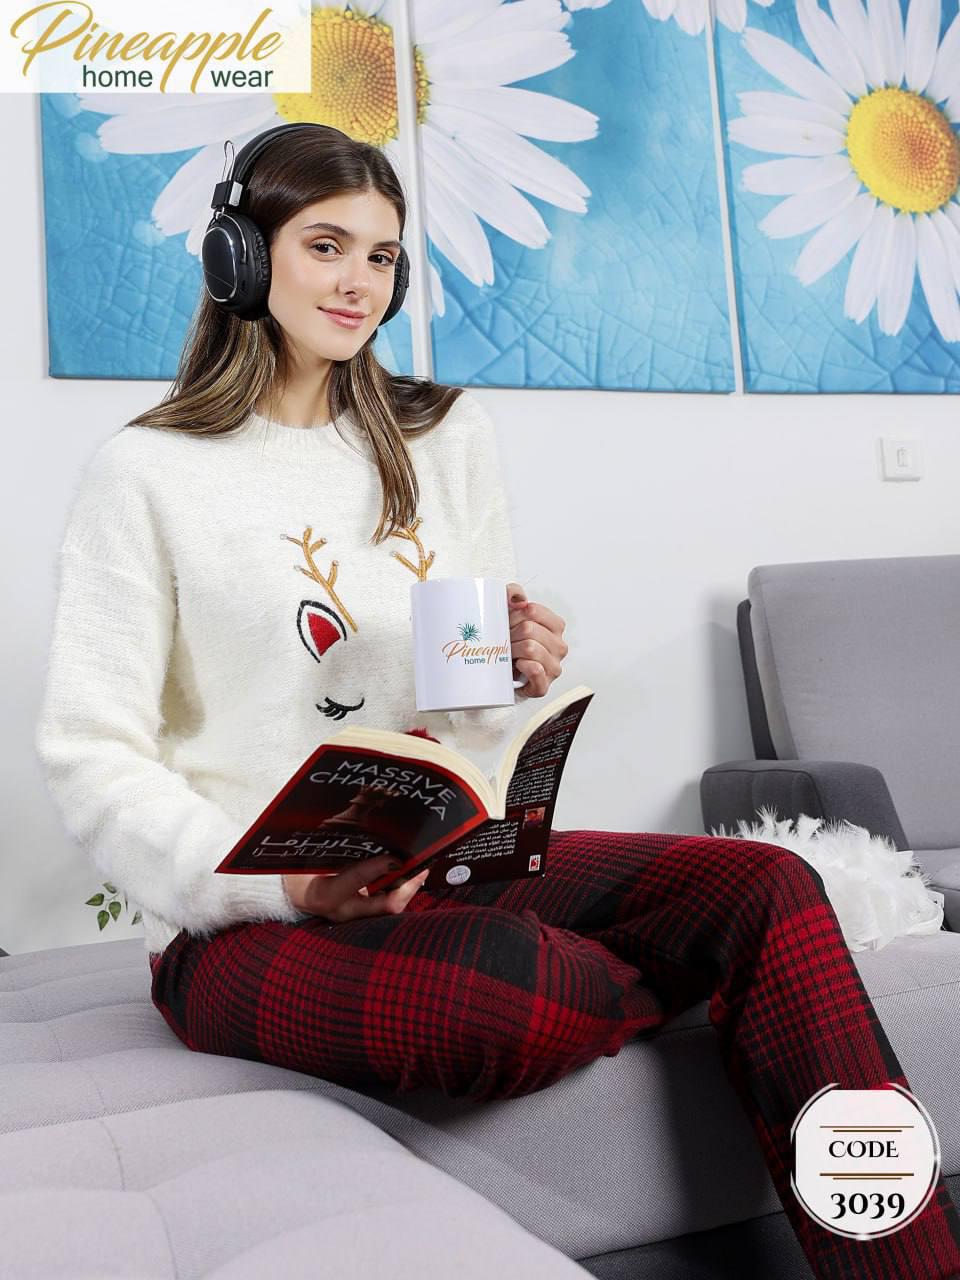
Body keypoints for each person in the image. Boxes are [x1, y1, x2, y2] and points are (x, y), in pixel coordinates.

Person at [34, 123, 960, 1280]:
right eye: (326, 245)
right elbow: (91, 750)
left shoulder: (441, 435)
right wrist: (278, 879)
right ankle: (708, 972)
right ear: (241, 256)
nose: (357, 282)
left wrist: (512, 671)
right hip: (250, 919)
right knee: (511, 988)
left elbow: (466, 722)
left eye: (382, 256)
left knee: (772, 881)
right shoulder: (145, 473)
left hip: (462, 859)